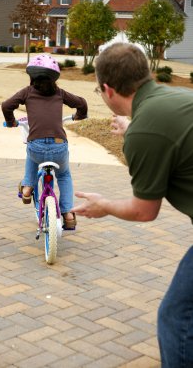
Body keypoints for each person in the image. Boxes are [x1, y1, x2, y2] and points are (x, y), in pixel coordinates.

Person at [71, 42, 193, 367]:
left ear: (108, 89)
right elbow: (163, 132)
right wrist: (132, 129)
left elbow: (144, 210)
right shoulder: (178, 99)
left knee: (177, 316)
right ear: (147, 74)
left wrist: (105, 205)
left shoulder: (145, 131)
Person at [2, 54, 88, 230]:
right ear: (54, 78)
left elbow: (6, 105)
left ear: (32, 76)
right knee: (64, 175)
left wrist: (11, 122)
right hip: (59, 146)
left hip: (36, 146)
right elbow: (82, 103)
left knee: (32, 153)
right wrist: (80, 115)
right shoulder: (60, 93)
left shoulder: (27, 92)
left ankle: (27, 187)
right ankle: (68, 214)